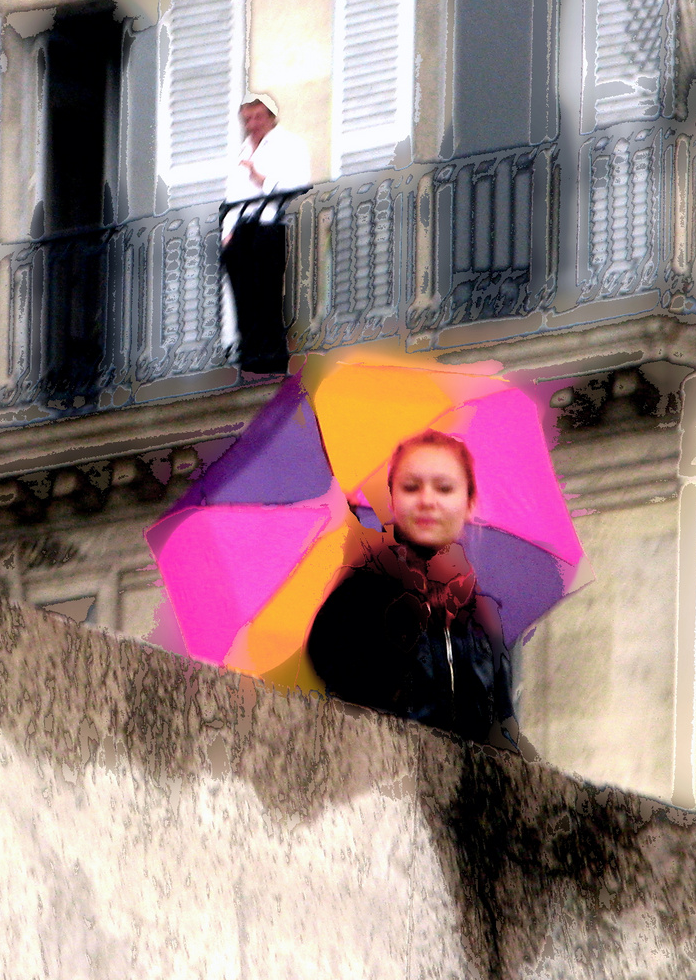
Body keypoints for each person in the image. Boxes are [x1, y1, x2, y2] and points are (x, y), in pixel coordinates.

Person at [305, 430, 520, 751]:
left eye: (444, 488)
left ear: (469, 503)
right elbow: (341, 692)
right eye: (410, 487)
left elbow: (502, 730)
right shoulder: (363, 591)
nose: (427, 500)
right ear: (392, 499)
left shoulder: (482, 617)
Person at [220, 93, 311, 375]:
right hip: (241, 229)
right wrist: (227, 232)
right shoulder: (242, 152)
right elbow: (231, 197)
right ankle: (250, 357)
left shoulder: (289, 145)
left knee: (267, 291)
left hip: (270, 225)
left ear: (271, 117)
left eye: (258, 117)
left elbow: (299, 182)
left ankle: (271, 356)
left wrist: (262, 179)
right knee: (242, 295)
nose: (252, 124)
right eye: (247, 119)